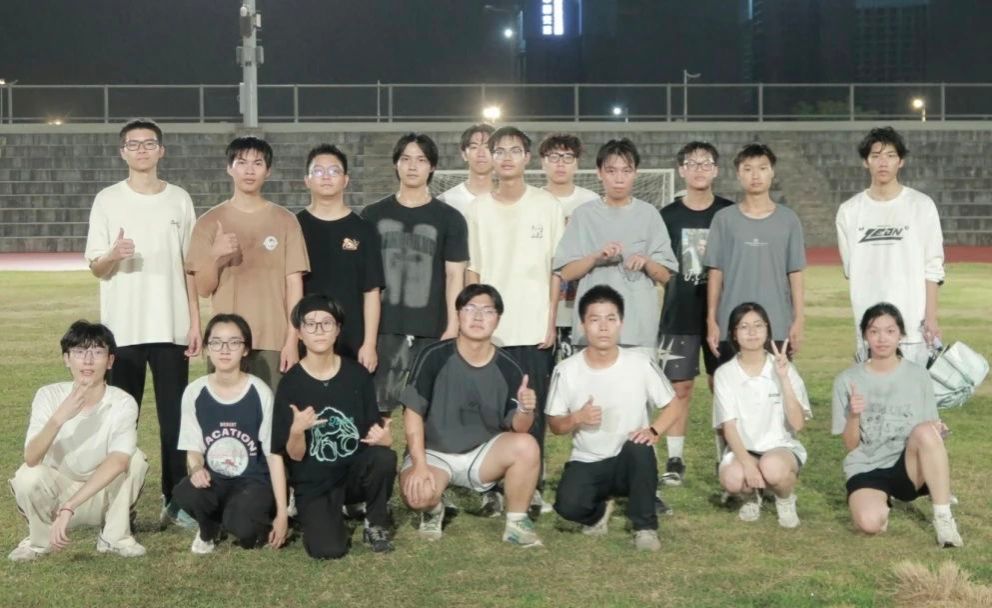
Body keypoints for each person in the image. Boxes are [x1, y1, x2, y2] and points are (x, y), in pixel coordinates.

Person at [83, 118, 200, 528]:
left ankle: (176, 500)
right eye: (133, 144)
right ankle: (120, 502)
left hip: (172, 328)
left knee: (175, 421)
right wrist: (112, 254)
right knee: (121, 421)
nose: (142, 150)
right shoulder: (107, 200)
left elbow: (190, 267)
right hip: (123, 331)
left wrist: (195, 322)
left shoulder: (179, 199)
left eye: (149, 143)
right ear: (122, 152)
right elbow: (97, 267)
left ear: (161, 150)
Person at [466, 126, 566, 514]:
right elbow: (474, 271)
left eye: (514, 151)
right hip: (492, 331)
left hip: (533, 327)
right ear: (489, 158)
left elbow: (556, 270)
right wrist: (472, 322)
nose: (506, 157)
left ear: (527, 158)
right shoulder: (478, 208)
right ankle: (488, 484)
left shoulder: (547, 205)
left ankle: (531, 484)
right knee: (490, 409)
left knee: (531, 409)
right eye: (499, 151)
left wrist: (551, 319)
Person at [398, 284, 543, 547]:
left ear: (497, 319)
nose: (478, 317)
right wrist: (419, 464)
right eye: (470, 309)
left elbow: (520, 428)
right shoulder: (433, 355)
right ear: (458, 314)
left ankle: (516, 523)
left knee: (527, 446)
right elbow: (412, 412)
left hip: (481, 455)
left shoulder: (509, 367)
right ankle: (433, 511)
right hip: (435, 453)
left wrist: (525, 409)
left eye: (487, 311)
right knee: (418, 495)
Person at [547, 286, 679, 551]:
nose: (603, 327)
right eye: (595, 319)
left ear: (621, 323)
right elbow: (555, 425)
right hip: (588, 459)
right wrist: (577, 418)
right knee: (568, 507)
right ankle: (599, 514)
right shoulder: (566, 370)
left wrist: (654, 430)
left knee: (640, 447)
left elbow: (673, 405)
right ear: (583, 325)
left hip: (629, 459)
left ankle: (644, 527)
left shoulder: (640, 363)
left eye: (611, 318)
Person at [8, 321, 148, 561]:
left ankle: (114, 537)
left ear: (110, 361)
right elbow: (31, 457)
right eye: (80, 352)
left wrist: (70, 506)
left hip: (101, 493)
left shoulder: (122, 402)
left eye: (97, 352)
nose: (88, 360)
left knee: (135, 459)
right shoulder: (49, 395)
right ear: (66, 359)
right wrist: (59, 418)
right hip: (57, 492)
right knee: (27, 475)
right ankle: (39, 542)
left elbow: (119, 461)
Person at [273, 295, 397, 558]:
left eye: (327, 323)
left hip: (351, 471)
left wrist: (385, 439)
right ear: (299, 333)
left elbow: (373, 437)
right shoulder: (291, 384)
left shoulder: (357, 376)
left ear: (338, 329)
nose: (319, 330)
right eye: (311, 324)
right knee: (328, 550)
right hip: (315, 481)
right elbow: (294, 455)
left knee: (383, 458)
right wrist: (297, 430)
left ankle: (375, 523)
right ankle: (328, 511)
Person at [831, 303, 962, 547]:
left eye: (890, 331)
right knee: (869, 524)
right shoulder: (846, 380)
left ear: (900, 334)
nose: (882, 339)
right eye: (874, 331)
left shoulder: (918, 375)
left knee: (926, 431)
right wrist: (854, 415)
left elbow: (929, 429)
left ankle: (943, 518)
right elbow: (850, 446)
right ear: (865, 335)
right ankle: (881, 503)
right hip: (868, 466)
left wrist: (938, 431)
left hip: (907, 465)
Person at [186, 136, 310, 390]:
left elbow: (294, 285)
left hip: (273, 339)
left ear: (268, 171)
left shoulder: (286, 220)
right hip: (227, 342)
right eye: (241, 162)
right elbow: (203, 289)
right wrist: (215, 256)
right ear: (229, 168)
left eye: (258, 163)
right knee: (227, 411)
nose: (249, 170)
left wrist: (292, 339)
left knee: (274, 411)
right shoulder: (209, 222)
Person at [362, 133, 469, 411]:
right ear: (395, 164)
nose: (412, 166)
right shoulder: (372, 215)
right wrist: (368, 338)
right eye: (406, 159)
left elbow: (455, 276)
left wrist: (453, 326)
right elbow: (366, 280)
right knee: (378, 412)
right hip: (385, 327)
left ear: (432, 166)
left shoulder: (450, 218)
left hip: (433, 329)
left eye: (421, 160)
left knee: (429, 411)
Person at [172, 314, 289, 553]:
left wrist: (282, 514)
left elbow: (273, 455)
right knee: (186, 492)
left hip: (252, 481)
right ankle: (208, 529)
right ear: (207, 348)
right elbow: (193, 449)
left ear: (245, 349)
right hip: (215, 481)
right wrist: (197, 469)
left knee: (245, 531)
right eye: (216, 342)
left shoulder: (260, 392)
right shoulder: (195, 392)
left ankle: (235, 516)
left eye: (234, 342)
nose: (224, 350)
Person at [554, 138, 677, 355]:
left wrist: (646, 262)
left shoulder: (649, 214)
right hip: (592, 329)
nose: (619, 178)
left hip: (639, 329)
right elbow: (566, 272)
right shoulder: (583, 215)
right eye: (611, 171)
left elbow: (666, 276)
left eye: (626, 171)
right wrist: (595, 257)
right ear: (599, 173)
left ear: (635, 173)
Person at [657, 141, 734, 486]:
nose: (699, 169)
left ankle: (727, 455)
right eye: (692, 163)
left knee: (724, 386)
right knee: (680, 388)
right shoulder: (667, 216)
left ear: (716, 170)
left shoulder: (729, 213)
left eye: (706, 163)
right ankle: (675, 459)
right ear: (681, 170)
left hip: (724, 316)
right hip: (680, 314)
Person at [836, 127, 944, 366]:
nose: (883, 162)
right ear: (866, 162)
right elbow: (851, 269)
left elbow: (933, 267)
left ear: (901, 161)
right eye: (875, 156)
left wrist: (931, 317)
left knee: (913, 389)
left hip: (913, 328)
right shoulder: (849, 211)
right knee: (870, 389)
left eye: (890, 155)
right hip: (869, 328)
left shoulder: (921, 205)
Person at [705, 143, 806, 365]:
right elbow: (716, 272)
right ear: (738, 174)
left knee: (777, 384)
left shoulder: (789, 220)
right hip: (733, 324)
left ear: (772, 172)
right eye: (748, 169)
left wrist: (799, 319)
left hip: (777, 324)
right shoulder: (724, 219)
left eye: (762, 168)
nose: (755, 175)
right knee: (733, 383)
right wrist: (711, 319)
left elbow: (795, 273)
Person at [712, 302, 811, 528]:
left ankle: (784, 499)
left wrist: (783, 378)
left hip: (780, 448)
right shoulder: (725, 374)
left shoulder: (783, 367)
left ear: (767, 329)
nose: (752, 332)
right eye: (743, 326)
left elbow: (798, 423)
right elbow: (729, 427)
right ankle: (750, 498)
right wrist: (747, 464)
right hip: (744, 448)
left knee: (772, 468)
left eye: (758, 325)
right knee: (732, 479)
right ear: (734, 334)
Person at [296, 144, 384, 368]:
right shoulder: (294, 227)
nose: (326, 176)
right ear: (307, 180)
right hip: (305, 338)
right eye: (318, 171)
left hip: (352, 340)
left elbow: (371, 290)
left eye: (334, 171)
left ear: (345, 180)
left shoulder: (364, 229)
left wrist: (369, 344)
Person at [538, 132, 600, 363]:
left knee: (580, 374)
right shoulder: (532, 200)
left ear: (577, 163)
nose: (560, 163)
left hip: (580, 303)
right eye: (554, 157)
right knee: (540, 377)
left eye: (567, 157)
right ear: (543, 162)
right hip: (541, 304)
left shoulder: (592, 202)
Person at [438, 123, 496, 217]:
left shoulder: (511, 199)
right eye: (474, 147)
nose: (481, 154)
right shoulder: (446, 201)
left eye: (487, 147)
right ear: (464, 154)